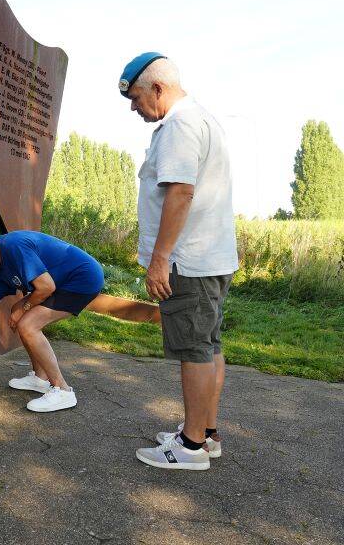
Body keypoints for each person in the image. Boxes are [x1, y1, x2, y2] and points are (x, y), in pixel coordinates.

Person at [119, 52, 238, 470]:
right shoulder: (203, 119)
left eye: (135, 98)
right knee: (207, 345)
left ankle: (189, 448)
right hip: (212, 258)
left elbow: (180, 193)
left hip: (188, 262)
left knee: (193, 350)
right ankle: (206, 434)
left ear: (157, 88)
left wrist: (159, 261)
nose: (134, 108)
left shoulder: (179, 126)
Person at [0, 228, 104, 412]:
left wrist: (24, 307)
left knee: (27, 324)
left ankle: (63, 390)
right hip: (58, 283)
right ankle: (40, 378)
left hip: (82, 279)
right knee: (22, 316)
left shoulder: (14, 247)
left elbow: (46, 287)